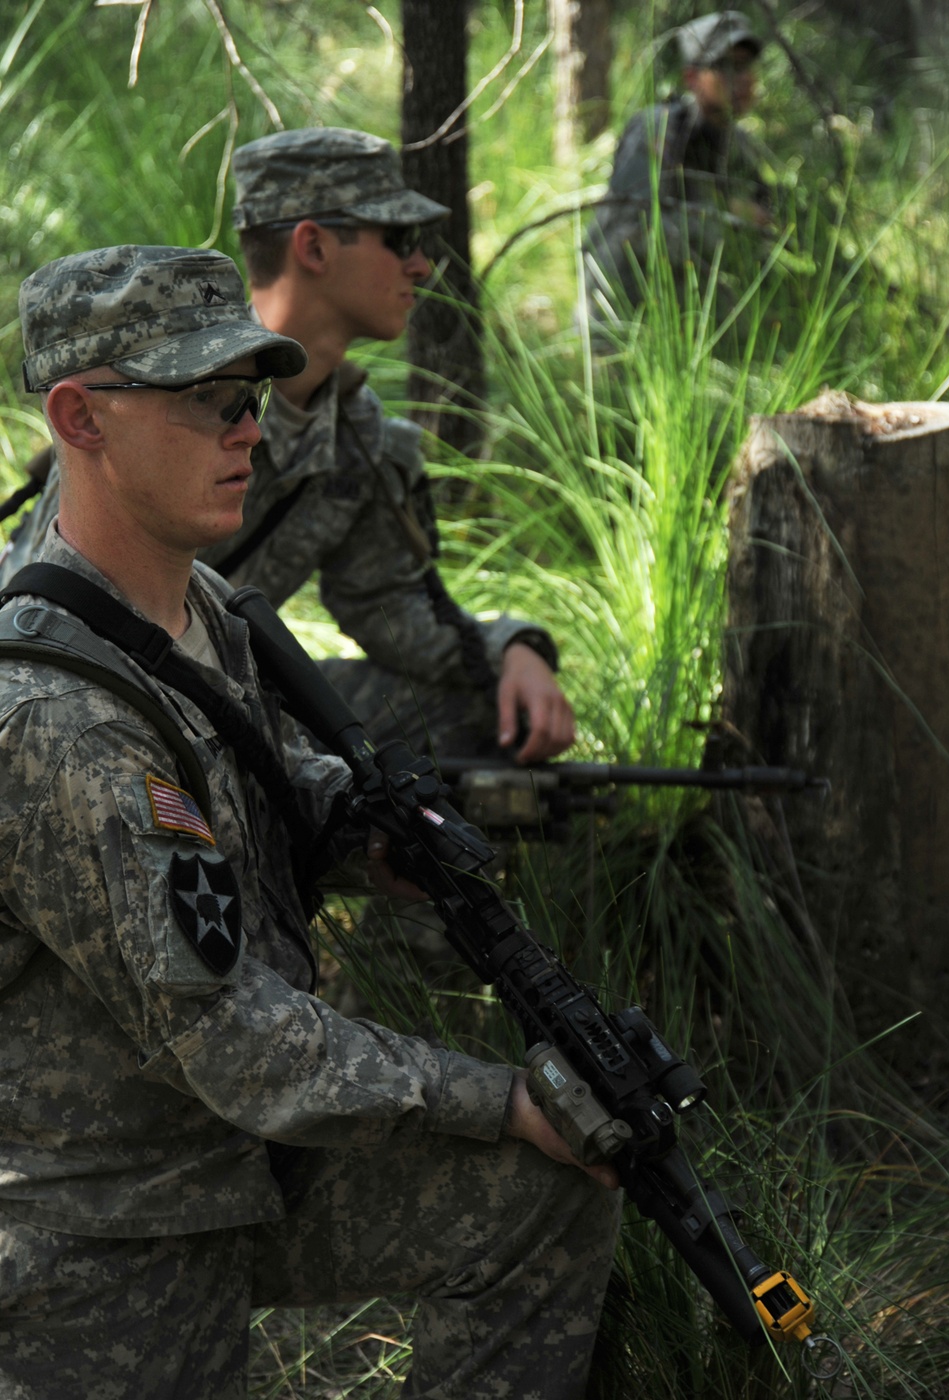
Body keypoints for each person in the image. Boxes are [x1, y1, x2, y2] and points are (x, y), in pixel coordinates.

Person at [0, 244, 620, 1399]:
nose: (251, 431)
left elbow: (248, 777)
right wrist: (499, 1097)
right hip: (106, 1220)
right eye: (209, 401)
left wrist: (356, 825)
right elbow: (234, 1038)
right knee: (529, 1143)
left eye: (251, 398)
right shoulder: (54, 718)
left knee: (541, 1198)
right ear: (80, 418)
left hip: (228, 1153)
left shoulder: (194, 604)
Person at [0, 127, 576, 1016]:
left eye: (252, 401)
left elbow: (392, 607)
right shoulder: (144, 414)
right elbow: (60, 616)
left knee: (457, 735)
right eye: (399, 238)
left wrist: (515, 651)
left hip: (231, 683)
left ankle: (420, 996)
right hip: (115, 713)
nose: (423, 265)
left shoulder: (359, 433)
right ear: (313, 244)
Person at [582, 10, 771, 339]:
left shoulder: (738, 145)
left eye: (746, 66)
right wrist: (727, 215)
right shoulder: (658, 127)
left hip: (693, 303)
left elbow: (769, 217)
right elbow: (634, 225)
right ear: (692, 78)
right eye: (726, 66)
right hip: (625, 312)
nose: (741, 79)